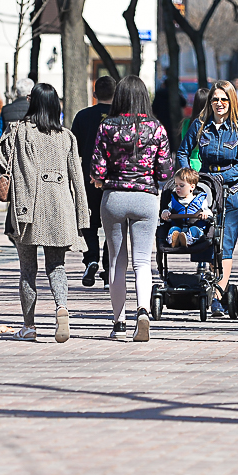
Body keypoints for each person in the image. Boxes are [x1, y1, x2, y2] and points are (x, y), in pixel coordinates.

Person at [0, 82, 87, 342]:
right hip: (60, 209)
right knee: (57, 266)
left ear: (32, 102)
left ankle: (29, 326)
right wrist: (82, 216)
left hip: (28, 209)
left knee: (28, 270)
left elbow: (1, 159)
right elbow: (77, 179)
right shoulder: (67, 137)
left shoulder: (19, 131)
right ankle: (61, 308)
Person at [91, 74, 172, 341]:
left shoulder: (107, 127)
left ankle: (119, 323)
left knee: (116, 261)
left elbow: (97, 169)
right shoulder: (156, 128)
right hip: (145, 197)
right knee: (142, 261)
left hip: (114, 196)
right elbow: (165, 171)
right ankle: (143, 312)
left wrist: (101, 179)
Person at [180, 81, 238, 317]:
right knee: (207, 239)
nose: (219, 104)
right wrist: (189, 176)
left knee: (225, 244)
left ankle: (218, 294)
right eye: (215, 99)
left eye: (224, 99)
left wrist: (219, 178)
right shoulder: (200, 125)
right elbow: (183, 151)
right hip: (206, 190)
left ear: (231, 101)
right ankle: (208, 283)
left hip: (232, 192)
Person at [72, 74, 114, 286]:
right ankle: (109, 270)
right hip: (115, 179)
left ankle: (91, 259)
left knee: (88, 222)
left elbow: (74, 149)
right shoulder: (121, 117)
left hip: (89, 177)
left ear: (95, 93)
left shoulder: (83, 116)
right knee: (112, 225)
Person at [162, 167, 212, 246]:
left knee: (194, 230)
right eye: (176, 185)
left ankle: (187, 240)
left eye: (181, 185)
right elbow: (168, 210)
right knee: (173, 229)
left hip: (196, 226)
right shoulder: (174, 200)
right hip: (179, 226)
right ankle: (174, 240)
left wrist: (206, 214)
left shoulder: (200, 200)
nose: (178, 188)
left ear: (192, 187)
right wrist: (165, 213)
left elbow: (209, 212)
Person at [0, 77, 33, 143]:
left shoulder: (6, 110)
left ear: (17, 92)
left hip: (10, 146)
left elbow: (0, 134)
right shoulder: (34, 109)